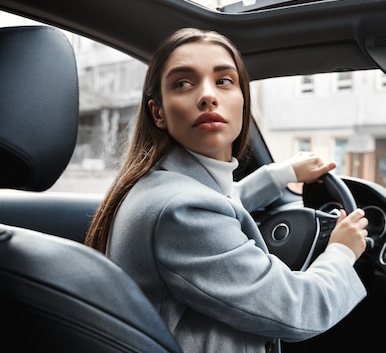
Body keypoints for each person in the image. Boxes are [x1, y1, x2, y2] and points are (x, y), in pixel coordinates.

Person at [84, 28, 369, 353]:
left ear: (242, 101)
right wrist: (342, 252)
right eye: (183, 83)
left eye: (224, 81)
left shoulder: (165, 186)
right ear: (158, 113)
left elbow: (222, 201)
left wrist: (281, 174)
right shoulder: (182, 211)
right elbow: (298, 309)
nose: (208, 95)